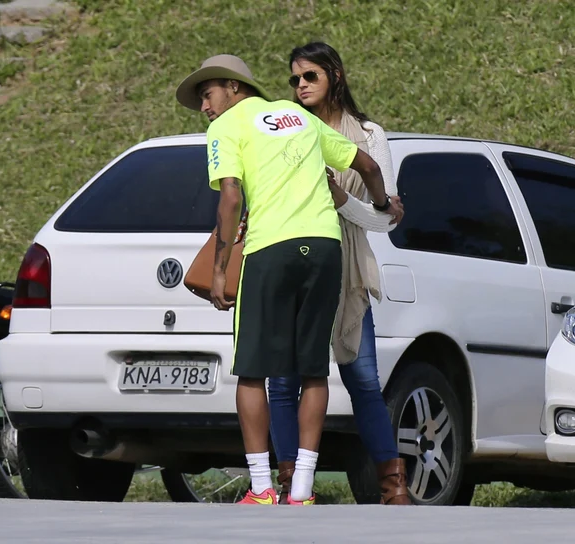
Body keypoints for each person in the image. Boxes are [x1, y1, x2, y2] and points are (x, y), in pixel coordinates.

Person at [175, 54, 401, 505]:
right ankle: (301, 491)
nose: (204, 107)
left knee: (254, 373)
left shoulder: (225, 128)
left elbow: (231, 198)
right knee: (314, 371)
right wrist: (383, 208)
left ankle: (262, 487)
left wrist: (220, 270)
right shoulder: (295, 114)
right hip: (324, 248)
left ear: (233, 87)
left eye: (207, 94)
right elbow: (368, 168)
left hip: (270, 251)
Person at [267, 42, 411, 506]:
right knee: (284, 381)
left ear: (335, 76)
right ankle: (291, 483)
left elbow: (384, 217)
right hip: (295, 265)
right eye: (294, 79)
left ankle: (393, 485)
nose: (301, 86)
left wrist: (338, 197)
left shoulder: (368, 136)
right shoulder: (283, 133)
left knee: (363, 380)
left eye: (310, 76)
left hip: (348, 269)